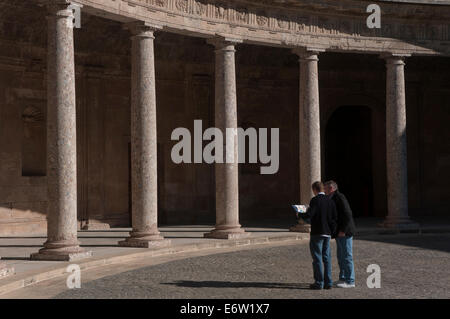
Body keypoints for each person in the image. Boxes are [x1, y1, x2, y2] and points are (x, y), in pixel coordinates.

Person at [305, 181, 338, 290]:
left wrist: (300, 213)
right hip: (327, 233)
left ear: (314, 190)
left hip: (317, 233)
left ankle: (319, 282)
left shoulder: (315, 200)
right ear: (323, 189)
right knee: (327, 258)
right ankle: (328, 282)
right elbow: (334, 218)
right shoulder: (330, 201)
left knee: (317, 258)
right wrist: (332, 232)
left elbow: (310, 215)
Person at [324, 180, 356, 288]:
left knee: (347, 256)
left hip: (344, 232)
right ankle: (342, 278)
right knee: (340, 256)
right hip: (339, 232)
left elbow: (347, 214)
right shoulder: (331, 198)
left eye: (326, 188)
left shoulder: (340, 197)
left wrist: (343, 230)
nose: (324, 190)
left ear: (331, 189)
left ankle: (350, 281)